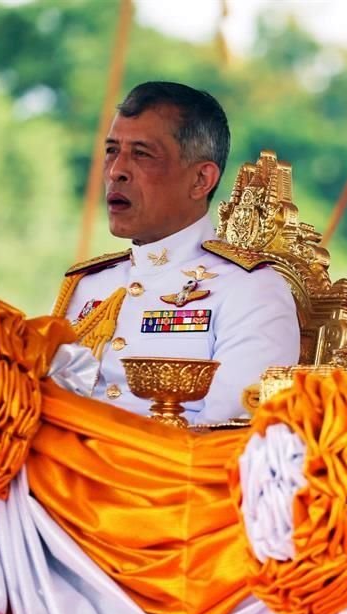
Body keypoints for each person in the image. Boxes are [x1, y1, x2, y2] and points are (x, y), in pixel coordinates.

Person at [52, 81, 299, 424]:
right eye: (112, 151)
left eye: (141, 154)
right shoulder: (87, 285)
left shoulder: (251, 290)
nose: (115, 171)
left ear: (200, 180)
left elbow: (228, 439)